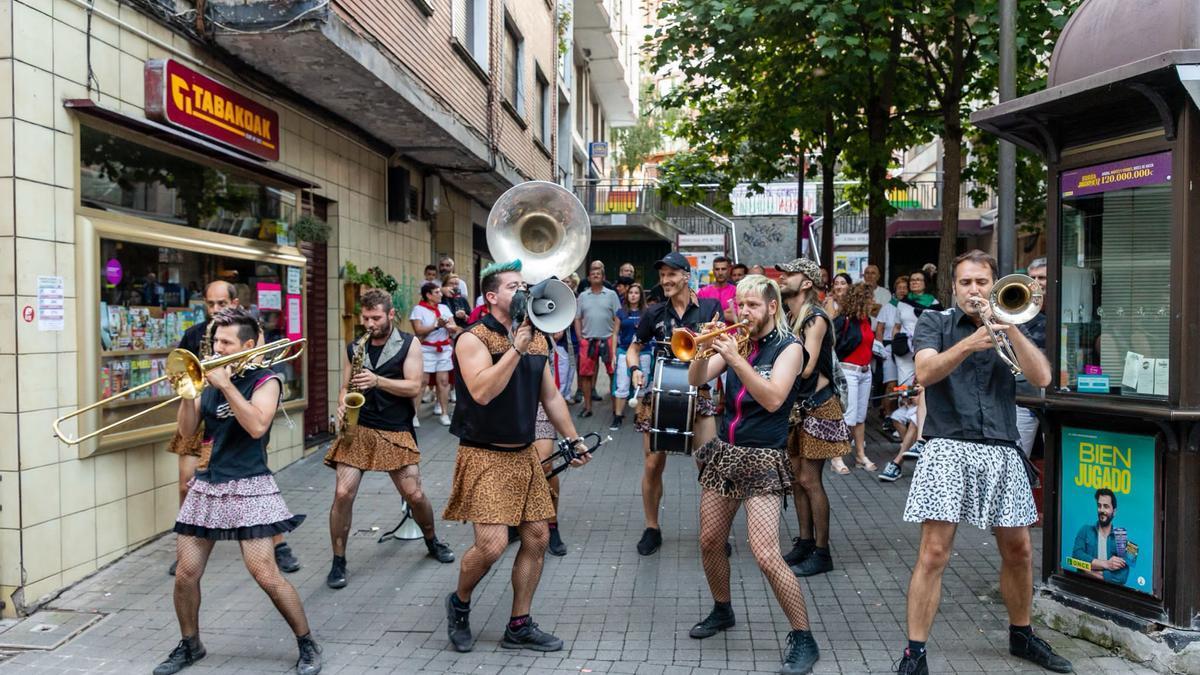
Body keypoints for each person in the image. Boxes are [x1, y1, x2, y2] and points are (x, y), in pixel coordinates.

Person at [894, 250, 1070, 675]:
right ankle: (914, 653)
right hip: (947, 445)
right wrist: (970, 342)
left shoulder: (1014, 321)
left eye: (981, 283)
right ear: (953, 287)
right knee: (934, 552)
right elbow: (925, 373)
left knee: (1020, 549)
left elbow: (1042, 378)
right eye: (966, 283)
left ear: (993, 285)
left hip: (1001, 445)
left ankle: (1022, 634)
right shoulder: (935, 322)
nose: (974, 290)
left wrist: (1011, 327)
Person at [156, 308, 320, 675]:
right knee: (185, 574)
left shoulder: (266, 380)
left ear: (247, 345)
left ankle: (306, 641)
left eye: (226, 342)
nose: (216, 348)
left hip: (250, 483)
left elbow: (257, 426)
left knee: (265, 573)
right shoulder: (209, 381)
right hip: (209, 482)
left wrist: (226, 385)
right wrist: (188, 391)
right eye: (215, 341)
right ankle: (190, 644)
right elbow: (186, 433)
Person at [442, 260, 592, 654]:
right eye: (513, 286)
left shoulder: (540, 339)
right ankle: (459, 603)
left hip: (524, 456)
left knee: (538, 538)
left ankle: (519, 624)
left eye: (525, 284)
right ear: (492, 297)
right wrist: (515, 348)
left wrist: (573, 439)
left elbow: (552, 397)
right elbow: (483, 392)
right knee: (491, 546)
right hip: (484, 456)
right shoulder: (472, 338)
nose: (523, 291)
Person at [685, 275, 820, 674]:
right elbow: (696, 379)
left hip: (763, 459)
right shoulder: (738, 342)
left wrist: (735, 358)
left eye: (752, 306)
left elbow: (775, 397)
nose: (742, 313)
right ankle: (722, 609)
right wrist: (703, 349)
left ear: (771, 307)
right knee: (710, 541)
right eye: (739, 305)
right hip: (726, 455)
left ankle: (803, 636)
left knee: (765, 554)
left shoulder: (790, 348)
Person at [166, 281, 300, 577]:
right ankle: (189, 547)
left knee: (250, 478)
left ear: (233, 302)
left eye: (221, 304)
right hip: (204, 408)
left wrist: (227, 373)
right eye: (210, 304)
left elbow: (258, 366)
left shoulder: (246, 329)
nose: (215, 309)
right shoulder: (195, 333)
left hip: (233, 410)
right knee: (185, 481)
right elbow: (182, 370)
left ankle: (277, 543)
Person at [324, 290, 454, 590]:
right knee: (343, 494)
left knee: (415, 495)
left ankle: (432, 540)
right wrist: (342, 403)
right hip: (359, 428)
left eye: (376, 318)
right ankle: (338, 560)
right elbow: (344, 387)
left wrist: (377, 380)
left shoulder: (410, 344)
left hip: (396, 428)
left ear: (391, 315)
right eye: (366, 318)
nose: (370, 323)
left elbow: (413, 388)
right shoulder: (354, 347)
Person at [627, 252, 722, 555]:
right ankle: (651, 527)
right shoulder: (654, 312)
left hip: (700, 391)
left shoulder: (709, 307)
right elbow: (634, 347)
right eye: (662, 275)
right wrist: (635, 368)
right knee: (653, 465)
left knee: (708, 465)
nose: (665, 281)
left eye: (671, 274)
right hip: (659, 391)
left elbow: (723, 348)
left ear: (685, 275)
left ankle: (713, 532)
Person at [776, 258, 849, 577]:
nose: (783, 277)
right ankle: (805, 542)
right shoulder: (792, 315)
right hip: (799, 407)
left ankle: (823, 551)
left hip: (819, 405)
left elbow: (806, 366)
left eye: (789, 274)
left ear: (806, 282)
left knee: (809, 478)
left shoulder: (815, 317)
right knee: (795, 478)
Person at [833, 283, 877, 475]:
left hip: (865, 372)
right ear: (862, 300)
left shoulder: (866, 320)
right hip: (848, 371)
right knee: (847, 417)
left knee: (860, 417)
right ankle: (836, 456)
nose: (873, 302)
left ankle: (860, 455)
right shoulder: (845, 320)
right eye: (870, 298)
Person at [574, 265, 621, 419]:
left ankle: (616, 409)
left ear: (603, 277)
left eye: (598, 273)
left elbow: (618, 317)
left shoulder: (611, 294)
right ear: (588, 278)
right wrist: (580, 339)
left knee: (613, 374)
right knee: (586, 376)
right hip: (588, 341)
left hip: (608, 339)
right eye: (592, 274)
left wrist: (615, 335)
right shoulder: (582, 296)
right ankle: (587, 408)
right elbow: (577, 319)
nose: (595, 275)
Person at [410, 281, 459, 426]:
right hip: (426, 349)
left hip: (443, 349)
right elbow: (418, 330)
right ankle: (413, 415)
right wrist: (437, 325)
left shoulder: (444, 307)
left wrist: (449, 326)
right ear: (428, 295)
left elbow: (454, 327)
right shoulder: (418, 309)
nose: (440, 294)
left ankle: (444, 413)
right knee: (422, 382)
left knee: (444, 382)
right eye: (437, 292)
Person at [1015, 258, 1048, 457]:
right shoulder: (1021, 313)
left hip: (1055, 392)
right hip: (1026, 395)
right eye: (1033, 278)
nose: (1037, 282)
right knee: (1019, 456)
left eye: (1042, 277)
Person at [1071, 488, 1137, 585]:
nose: (1102, 510)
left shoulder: (1121, 538)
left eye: (1106, 506)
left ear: (1114, 511)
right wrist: (1106, 564)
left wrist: (1088, 570)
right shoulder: (1085, 530)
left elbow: (1122, 577)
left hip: (1110, 593)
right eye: (1099, 506)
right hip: (1084, 586)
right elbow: (1076, 557)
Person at [612, 282, 647, 430]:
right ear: (627, 295)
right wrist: (614, 354)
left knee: (641, 386)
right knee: (622, 385)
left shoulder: (647, 312)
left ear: (640, 296)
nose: (633, 295)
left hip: (644, 353)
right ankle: (618, 417)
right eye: (631, 292)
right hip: (624, 352)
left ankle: (638, 417)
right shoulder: (621, 312)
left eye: (636, 293)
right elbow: (615, 334)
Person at [698, 255, 737, 322]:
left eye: (723, 269)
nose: (720, 273)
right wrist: (726, 312)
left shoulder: (736, 291)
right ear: (713, 271)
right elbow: (700, 316)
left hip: (731, 332)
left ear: (729, 270)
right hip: (710, 332)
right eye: (717, 269)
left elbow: (738, 317)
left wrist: (712, 313)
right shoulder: (703, 292)